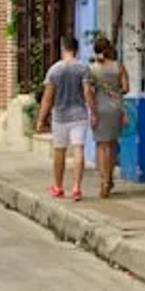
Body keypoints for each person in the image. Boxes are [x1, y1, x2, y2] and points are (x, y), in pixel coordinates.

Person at [35, 34, 90, 201]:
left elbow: (47, 97)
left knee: (60, 152)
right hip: (79, 115)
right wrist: (93, 110)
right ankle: (77, 188)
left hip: (60, 117)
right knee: (78, 149)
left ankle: (58, 186)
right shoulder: (83, 68)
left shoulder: (54, 70)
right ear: (76, 49)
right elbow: (87, 92)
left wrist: (41, 119)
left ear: (63, 48)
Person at [85, 35, 130, 199]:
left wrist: (93, 111)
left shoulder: (90, 69)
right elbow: (125, 88)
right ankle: (109, 178)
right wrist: (114, 90)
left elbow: (88, 92)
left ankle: (104, 182)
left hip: (100, 109)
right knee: (112, 145)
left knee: (102, 147)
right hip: (116, 108)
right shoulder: (119, 66)